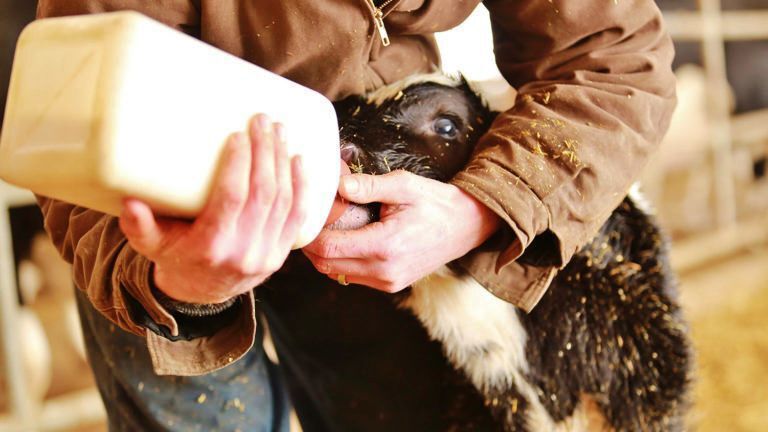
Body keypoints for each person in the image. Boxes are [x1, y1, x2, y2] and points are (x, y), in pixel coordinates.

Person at [35, 0, 677, 431]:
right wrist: (168, 282)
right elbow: (77, 104)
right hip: (162, 217)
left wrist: (478, 209)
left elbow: (612, 54)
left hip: (381, 205)